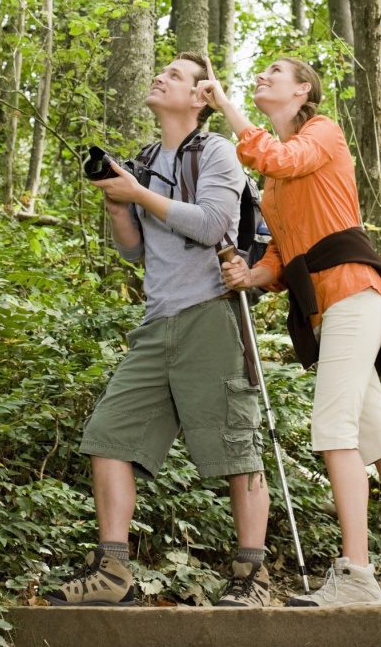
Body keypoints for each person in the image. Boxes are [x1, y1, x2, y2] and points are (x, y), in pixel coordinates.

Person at [197, 56, 381, 610]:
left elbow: (280, 156)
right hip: (327, 306)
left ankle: (357, 573)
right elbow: (281, 256)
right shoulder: (274, 177)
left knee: (333, 427)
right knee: (380, 438)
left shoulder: (321, 134)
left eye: (275, 71)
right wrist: (253, 274)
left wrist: (225, 105)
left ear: (302, 91)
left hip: (354, 293)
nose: (262, 76)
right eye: (260, 72)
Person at [46, 53, 270, 609]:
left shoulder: (217, 151)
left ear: (200, 98)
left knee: (235, 446)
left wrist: (140, 195)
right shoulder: (146, 159)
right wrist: (117, 198)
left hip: (212, 315)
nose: (160, 76)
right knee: (109, 435)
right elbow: (134, 249)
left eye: (175, 74)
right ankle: (112, 573)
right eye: (161, 70)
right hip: (156, 321)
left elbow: (213, 224)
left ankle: (252, 577)